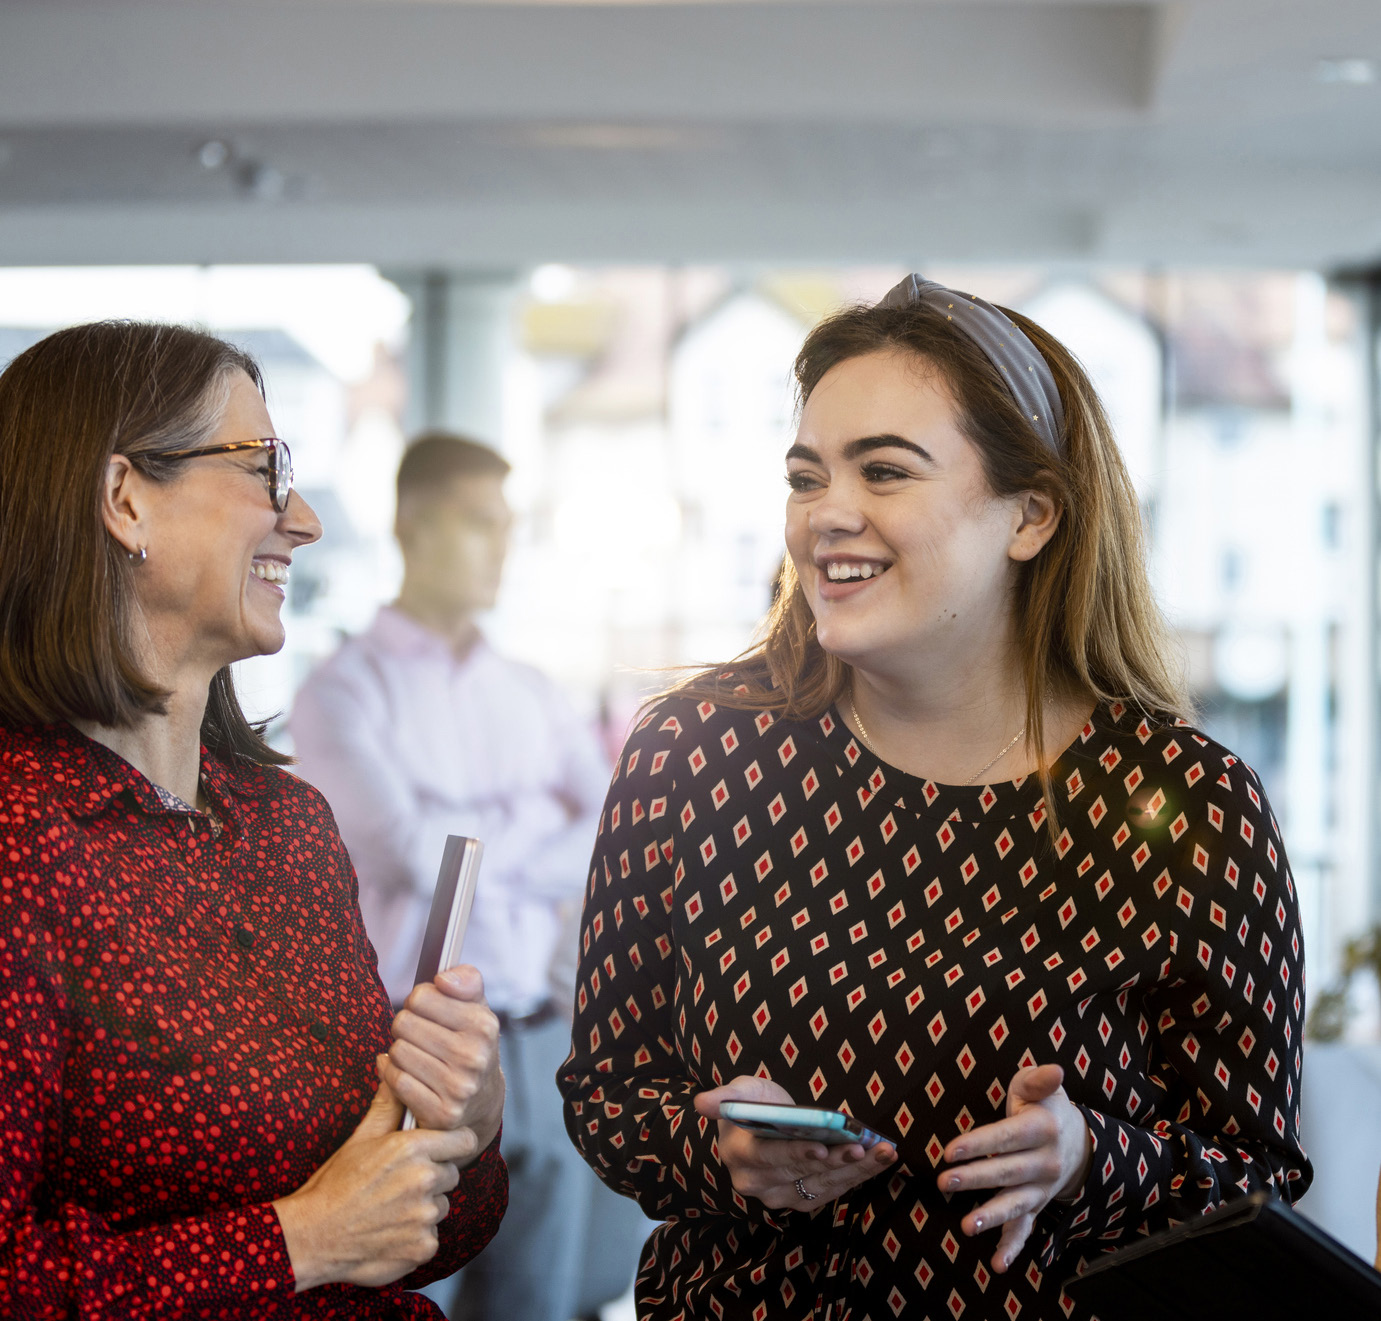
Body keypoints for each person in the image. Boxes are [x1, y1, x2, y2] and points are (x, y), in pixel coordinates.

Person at [558, 276, 1313, 1319]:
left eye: (885, 471)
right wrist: (713, 1147)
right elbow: (606, 1092)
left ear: (1031, 515)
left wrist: (1093, 1158)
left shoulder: (1191, 802)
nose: (829, 515)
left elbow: (1254, 1174)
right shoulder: (693, 754)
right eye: (806, 475)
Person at [0, 322, 507, 1318]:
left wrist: (464, 1127)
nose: (305, 518)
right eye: (264, 467)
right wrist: (299, 1240)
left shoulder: (286, 824)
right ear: (124, 498)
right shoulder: (21, 843)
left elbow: (415, 1236)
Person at [290, 432, 644, 1321]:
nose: (502, 545)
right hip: (409, 1053)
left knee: (541, 1306)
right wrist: (535, 816)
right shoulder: (342, 691)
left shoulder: (529, 689)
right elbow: (411, 854)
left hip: (538, 1039)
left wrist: (471, 829)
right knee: (406, 1299)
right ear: (415, 524)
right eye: (479, 523)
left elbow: (608, 830)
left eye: (507, 523)